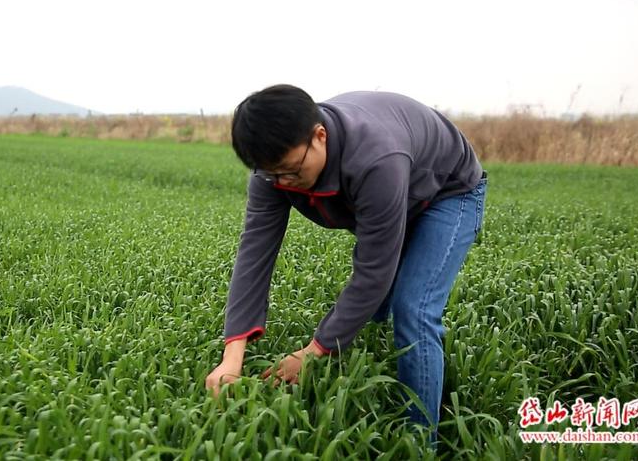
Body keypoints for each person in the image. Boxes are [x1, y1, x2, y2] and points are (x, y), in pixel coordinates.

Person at [204, 84, 487, 443]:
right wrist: (233, 356)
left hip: (450, 189)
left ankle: (420, 440)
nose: (284, 183)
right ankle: (373, 352)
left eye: (291, 171)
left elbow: (373, 270)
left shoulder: (376, 159)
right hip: (398, 186)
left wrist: (312, 351)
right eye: (273, 175)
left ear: (319, 135)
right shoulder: (272, 172)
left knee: (412, 309)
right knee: (376, 302)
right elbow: (254, 255)